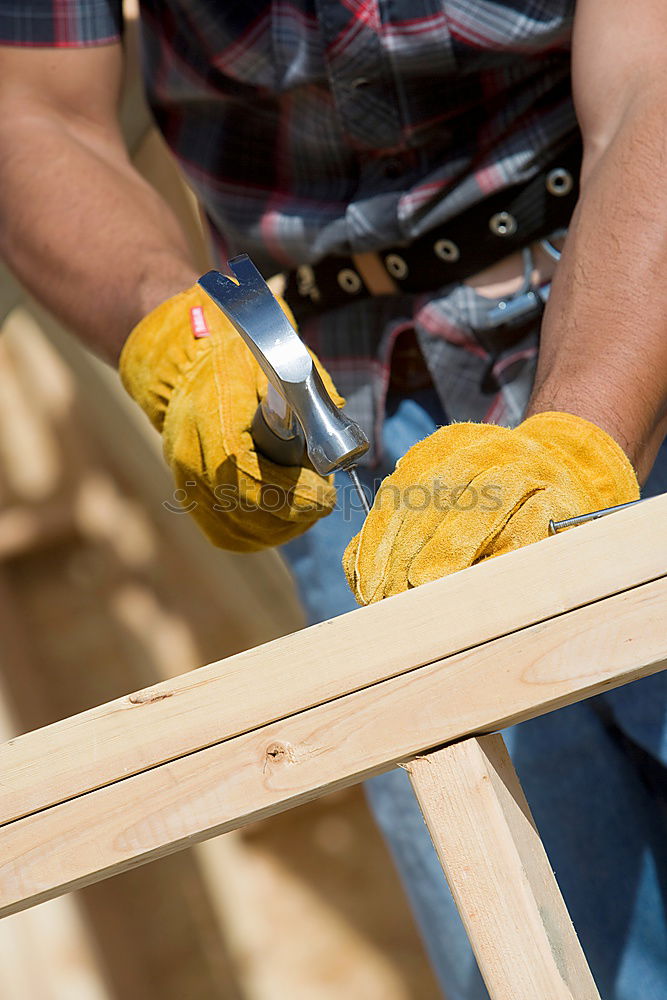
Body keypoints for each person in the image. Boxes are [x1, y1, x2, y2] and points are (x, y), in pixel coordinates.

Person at [1, 2, 666, 996]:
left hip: (627, 275)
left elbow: (649, 80)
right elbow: (34, 111)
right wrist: (178, 342)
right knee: (530, 947)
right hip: (337, 393)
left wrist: (577, 436)